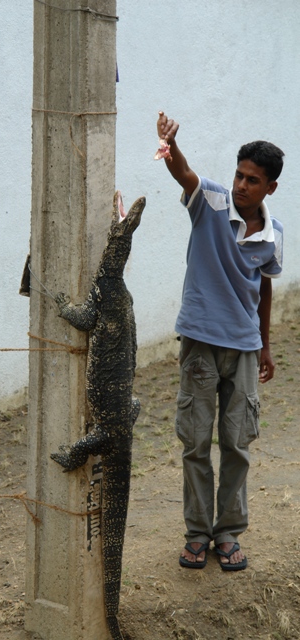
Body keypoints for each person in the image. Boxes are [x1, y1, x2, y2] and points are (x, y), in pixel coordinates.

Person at [156, 111, 284, 571]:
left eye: (253, 179)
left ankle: (228, 534)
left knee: (237, 444)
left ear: (270, 187)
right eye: (239, 174)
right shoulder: (209, 202)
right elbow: (183, 174)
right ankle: (197, 534)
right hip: (199, 344)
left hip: (245, 348)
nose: (241, 185)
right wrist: (171, 145)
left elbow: (264, 285)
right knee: (195, 443)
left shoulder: (274, 235)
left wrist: (265, 345)